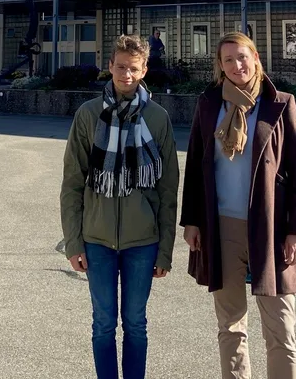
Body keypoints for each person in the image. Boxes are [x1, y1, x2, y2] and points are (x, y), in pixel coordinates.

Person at [180, 31, 296, 379]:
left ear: (255, 58)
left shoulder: (281, 104)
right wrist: (192, 221)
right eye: (228, 60)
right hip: (220, 227)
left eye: (242, 57)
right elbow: (195, 165)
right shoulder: (209, 104)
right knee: (231, 326)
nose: (237, 65)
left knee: (281, 329)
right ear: (220, 68)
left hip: (271, 229)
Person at [61, 34, 181, 379]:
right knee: (102, 324)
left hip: (143, 242)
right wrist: (73, 242)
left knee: (136, 324)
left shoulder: (157, 118)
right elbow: (72, 184)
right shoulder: (88, 115)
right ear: (109, 66)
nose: (125, 74)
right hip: (96, 240)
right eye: (120, 67)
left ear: (144, 71)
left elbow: (169, 189)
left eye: (133, 68)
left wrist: (165, 251)